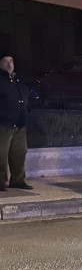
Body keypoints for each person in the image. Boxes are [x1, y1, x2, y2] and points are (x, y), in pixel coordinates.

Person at [0, 52, 33, 192]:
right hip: (3, 124)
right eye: (5, 61)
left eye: (11, 61)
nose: (9, 64)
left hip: (20, 124)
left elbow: (26, 97)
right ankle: (1, 182)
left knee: (19, 153)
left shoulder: (17, 80)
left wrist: (27, 110)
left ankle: (18, 180)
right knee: (1, 155)